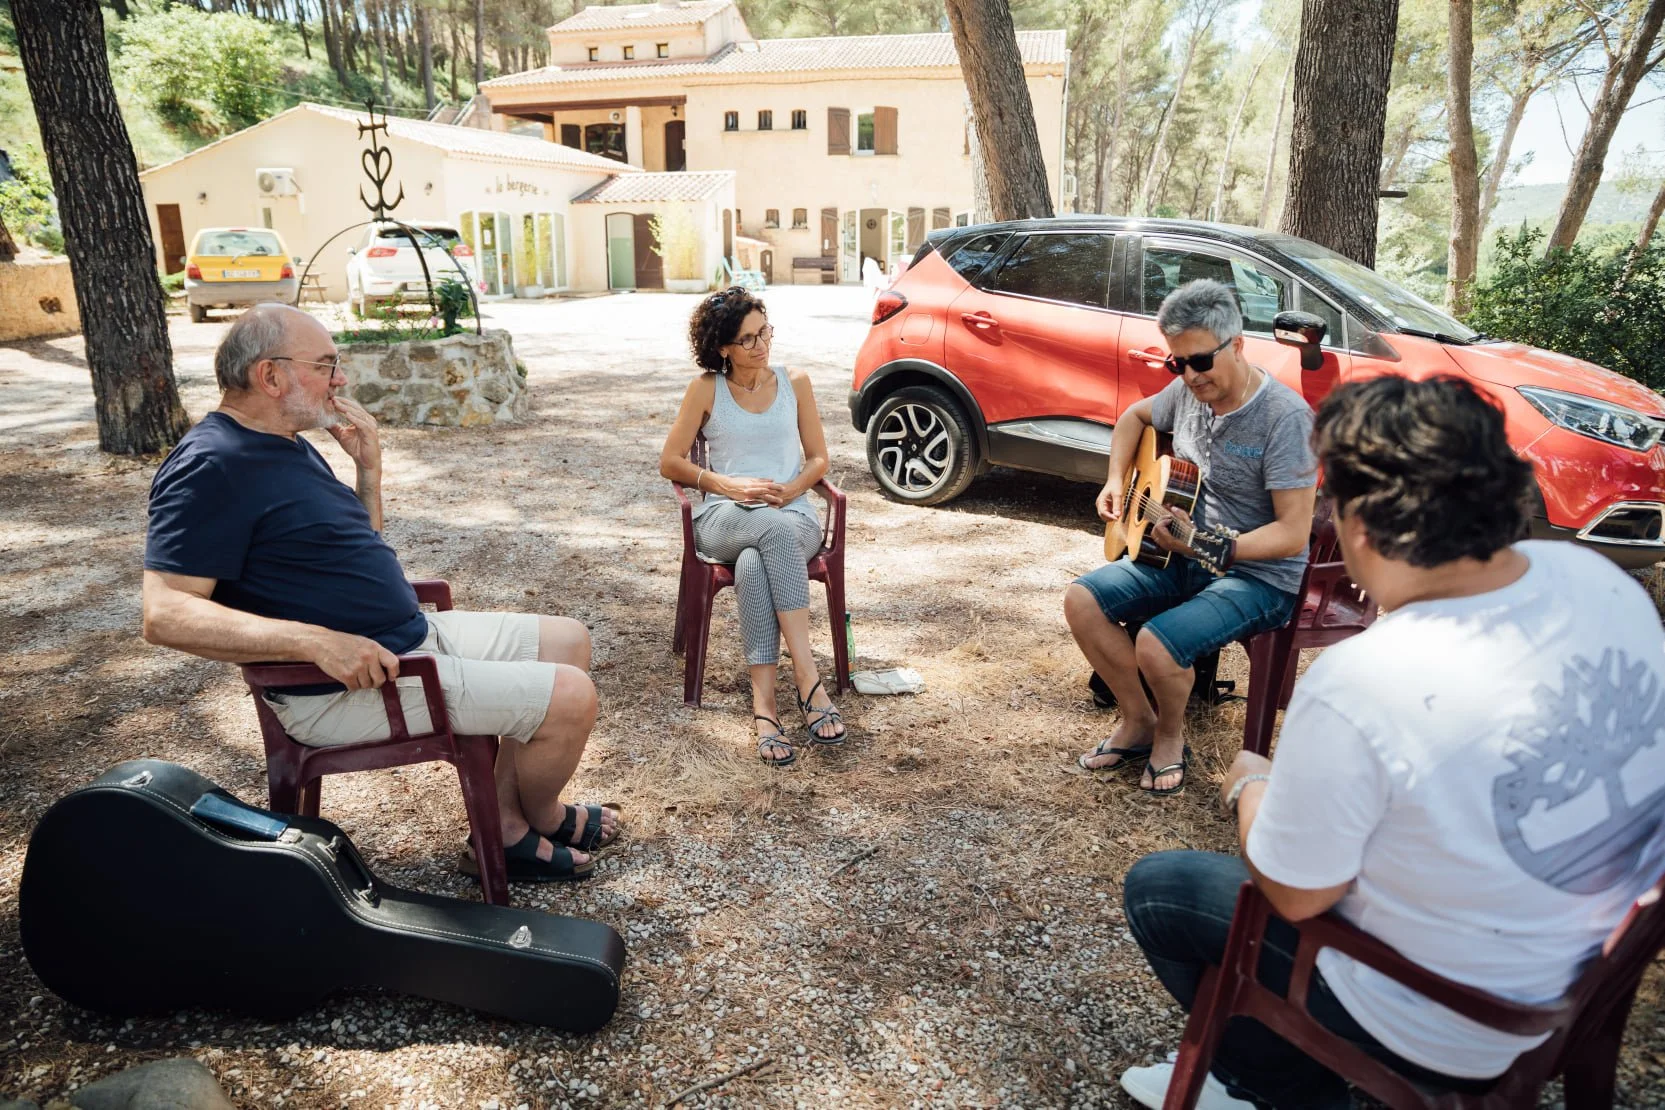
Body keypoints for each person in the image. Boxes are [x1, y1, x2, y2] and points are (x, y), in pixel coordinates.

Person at [1118, 375, 1665, 1110]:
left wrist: (1252, 785)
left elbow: (1295, 892)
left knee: (1162, 888)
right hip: (1577, 970)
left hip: (1442, 1019)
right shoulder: (1603, 585)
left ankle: (1267, 1086)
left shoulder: (1366, 678)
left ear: (1361, 528)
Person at [142, 304, 618, 883]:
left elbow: (351, 551)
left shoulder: (286, 441)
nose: (341, 379)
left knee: (567, 640)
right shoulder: (210, 464)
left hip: (406, 639)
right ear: (269, 376)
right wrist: (317, 641)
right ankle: (535, 819)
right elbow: (164, 613)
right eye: (326, 364)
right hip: (350, 685)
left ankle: (503, 823)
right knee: (570, 697)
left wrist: (369, 472)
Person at [1065, 279, 1316, 794]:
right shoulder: (1185, 393)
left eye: (1199, 361)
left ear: (1238, 345)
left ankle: (1170, 739)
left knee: (1158, 645)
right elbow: (1134, 418)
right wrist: (1116, 480)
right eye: (1176, 363)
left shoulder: (1285, 419)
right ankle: (1139, 722)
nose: (1189, 375)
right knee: (1082, 600)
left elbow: (1292, 536)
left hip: (1259, 577)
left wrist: (1207, 546)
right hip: (1183, 556)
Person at [658, 286, 846, 765]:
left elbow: (819, 457)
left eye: (765, 332)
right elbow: (670, 462)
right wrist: (727, 486)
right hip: (724, 517)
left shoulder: (795, 381)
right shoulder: (705, 389)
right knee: (765, 533)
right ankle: (807, 675)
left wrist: (789, 490)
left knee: (755, 559)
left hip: (794, 515)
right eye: (747, 339)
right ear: (723, 347)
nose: (761, 345)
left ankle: (765, 707)